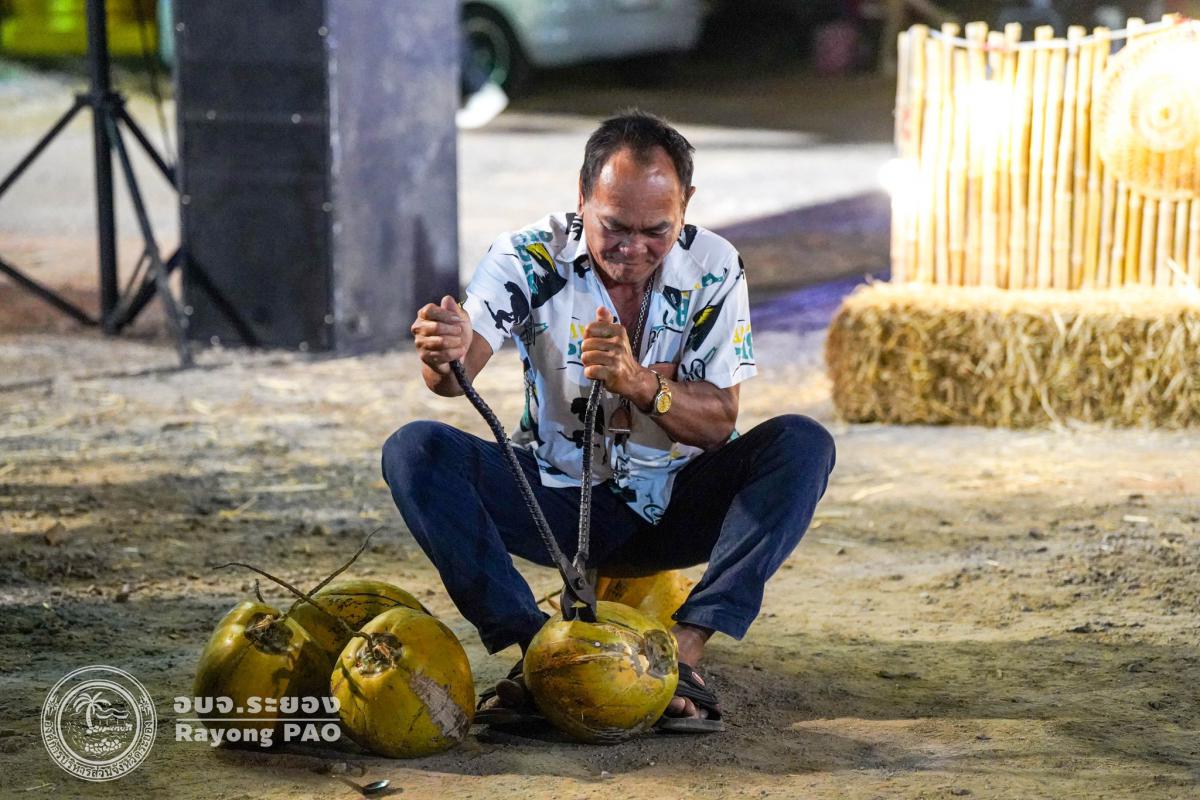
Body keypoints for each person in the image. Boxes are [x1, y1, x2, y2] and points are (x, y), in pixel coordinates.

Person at [383, 110, 836, 733]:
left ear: (686, 204)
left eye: (656, 230)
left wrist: (639, 384)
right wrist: (445, 351)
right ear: (582, 195)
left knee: (803, 444)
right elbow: (452, 378)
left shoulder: (714, 264)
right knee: (414, 451)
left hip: (676, 505)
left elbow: (718, 424)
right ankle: (541, 653)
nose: (632, 247)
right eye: (614, 226)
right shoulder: (527, 255)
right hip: (555, 498)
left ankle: (684, 651)